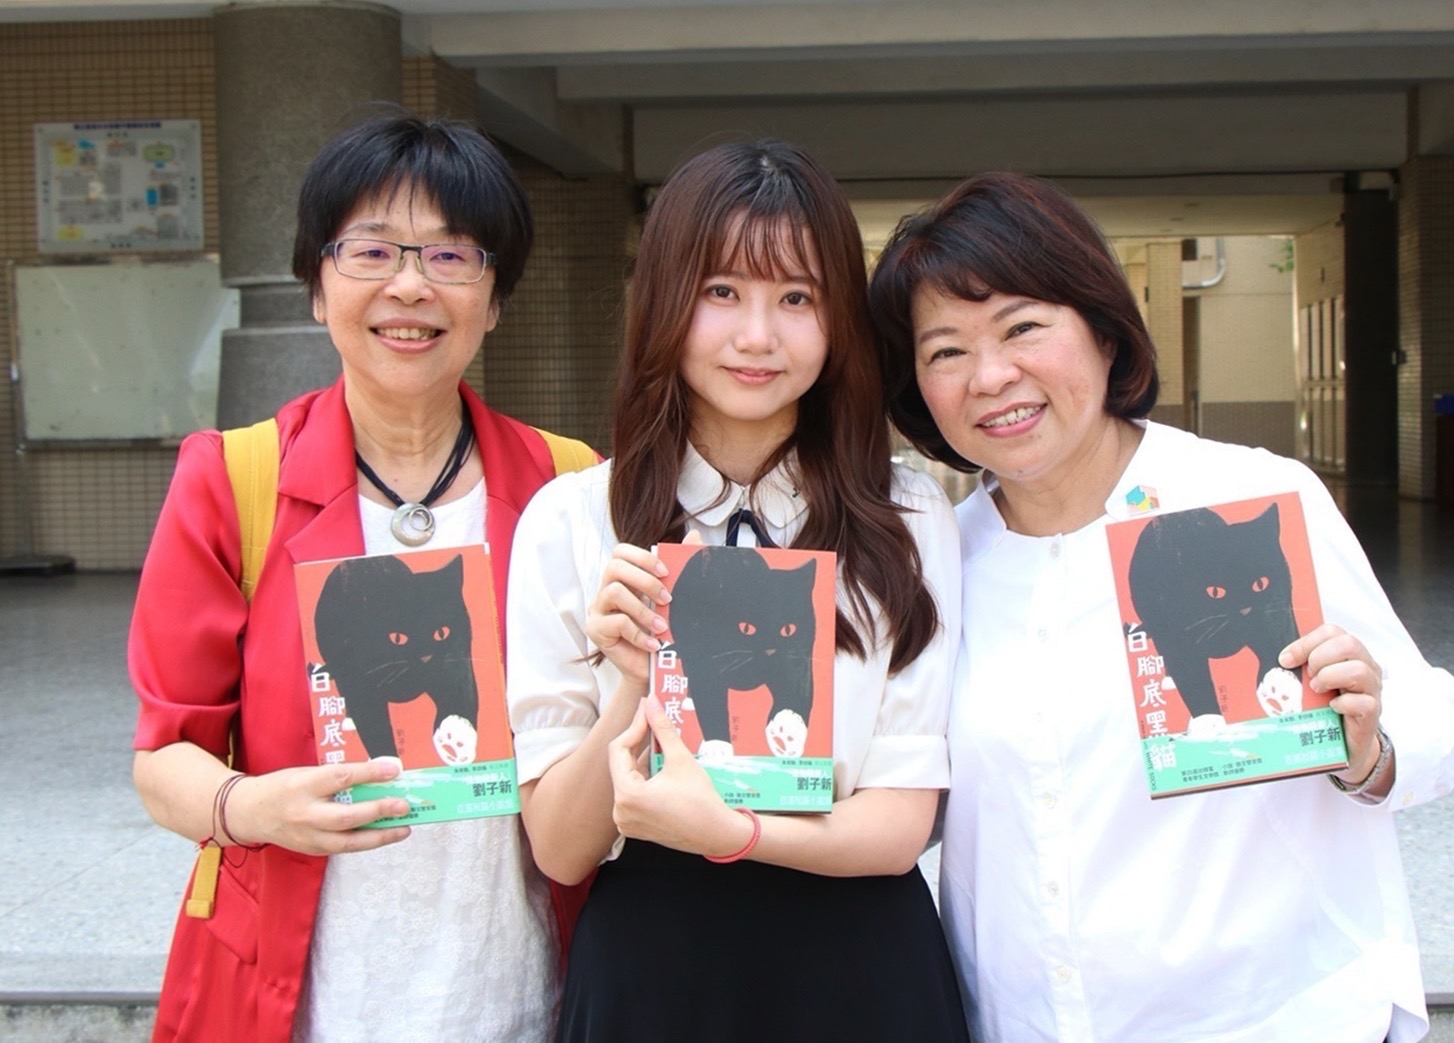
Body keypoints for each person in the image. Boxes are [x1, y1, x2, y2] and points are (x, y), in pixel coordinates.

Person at [866, 172, 1454, 1043]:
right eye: (945, 352)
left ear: (1103, 331)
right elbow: (908, 795)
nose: (991, 376)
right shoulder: (935, 561)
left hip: (1272, 1019)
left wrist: (1369, 746)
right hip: (1028, 1022)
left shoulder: (1249, 497)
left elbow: (1434, 718)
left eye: (1023, 327)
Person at [129, 113, 593, 1042]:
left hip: (524, 991)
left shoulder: (569, 484)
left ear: (495, 299)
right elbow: (164, 755)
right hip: (306, 1001)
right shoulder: (232, 480)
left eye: (452, 255)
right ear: (317, 285)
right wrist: (254, 806)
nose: (410, 285)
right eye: (372, 250)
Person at [506, 140, 970, 1041]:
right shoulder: (571, 520)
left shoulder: (907, 514)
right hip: (653, 964)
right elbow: (560, 848)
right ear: (664, 299)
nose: (758, 336)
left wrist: (735, 833)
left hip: (860, 960)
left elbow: (901, 824)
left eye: (797, 297)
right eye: (721, 291)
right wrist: (635, 677)